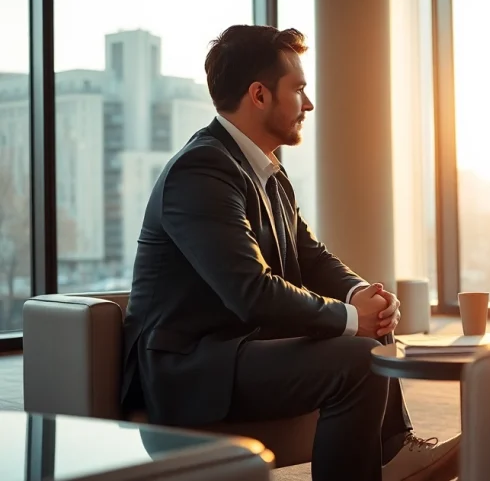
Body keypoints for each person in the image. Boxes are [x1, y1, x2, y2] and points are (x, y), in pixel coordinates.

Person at [120, 25, 459, 481]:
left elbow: (311, 256)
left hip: (243, 349)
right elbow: (251, 291)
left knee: (371, 331)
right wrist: (350, 318)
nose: (309, 103)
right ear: (259, 95)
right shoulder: (200, 170)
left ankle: (392, 454)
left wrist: (362, 296)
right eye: (298, 89)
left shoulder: (269, 172)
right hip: (191, 367)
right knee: (359, 360)